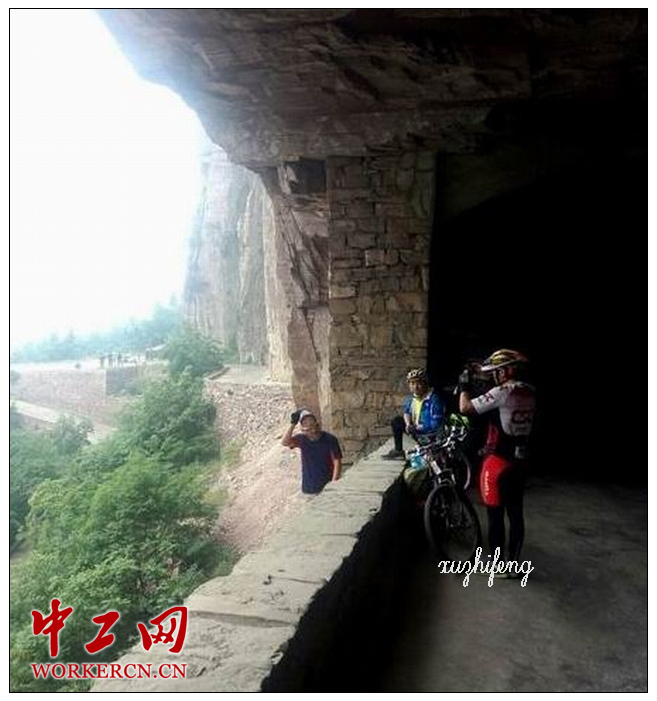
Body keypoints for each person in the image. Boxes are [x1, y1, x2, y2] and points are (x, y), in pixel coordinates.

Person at [458, 349, 536, 571]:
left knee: (495, 515)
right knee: (516, 513)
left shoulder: (501, 392)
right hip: (521, 460)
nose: (494, 376)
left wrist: (464, 386)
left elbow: (465, 408)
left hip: (499, 462)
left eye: (496, 372)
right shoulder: (530, 390)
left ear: (505, 371)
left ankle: (497, 565)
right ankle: (514, 563)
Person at [382, 368, 446, 459]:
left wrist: (417, 427)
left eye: (419, 383)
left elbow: (436, 424)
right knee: (397, 421)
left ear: (425, 383)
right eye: (412, 383)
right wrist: (408, 424)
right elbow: (406, 412)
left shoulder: (434, 399)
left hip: (430, 434)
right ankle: (398, 451)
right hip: (415, 430)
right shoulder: (411, 398)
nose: (415, 387)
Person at [282, 409, 343, 495]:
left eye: (314, 427)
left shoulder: (330, 439)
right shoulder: (302, 439)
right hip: (309, 487)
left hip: (327, 485)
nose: (313, 431)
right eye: (308, 429)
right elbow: (285, 442)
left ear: (318, 425)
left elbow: (337, 461)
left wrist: (333, 484)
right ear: (304, 430)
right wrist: (293, 424)